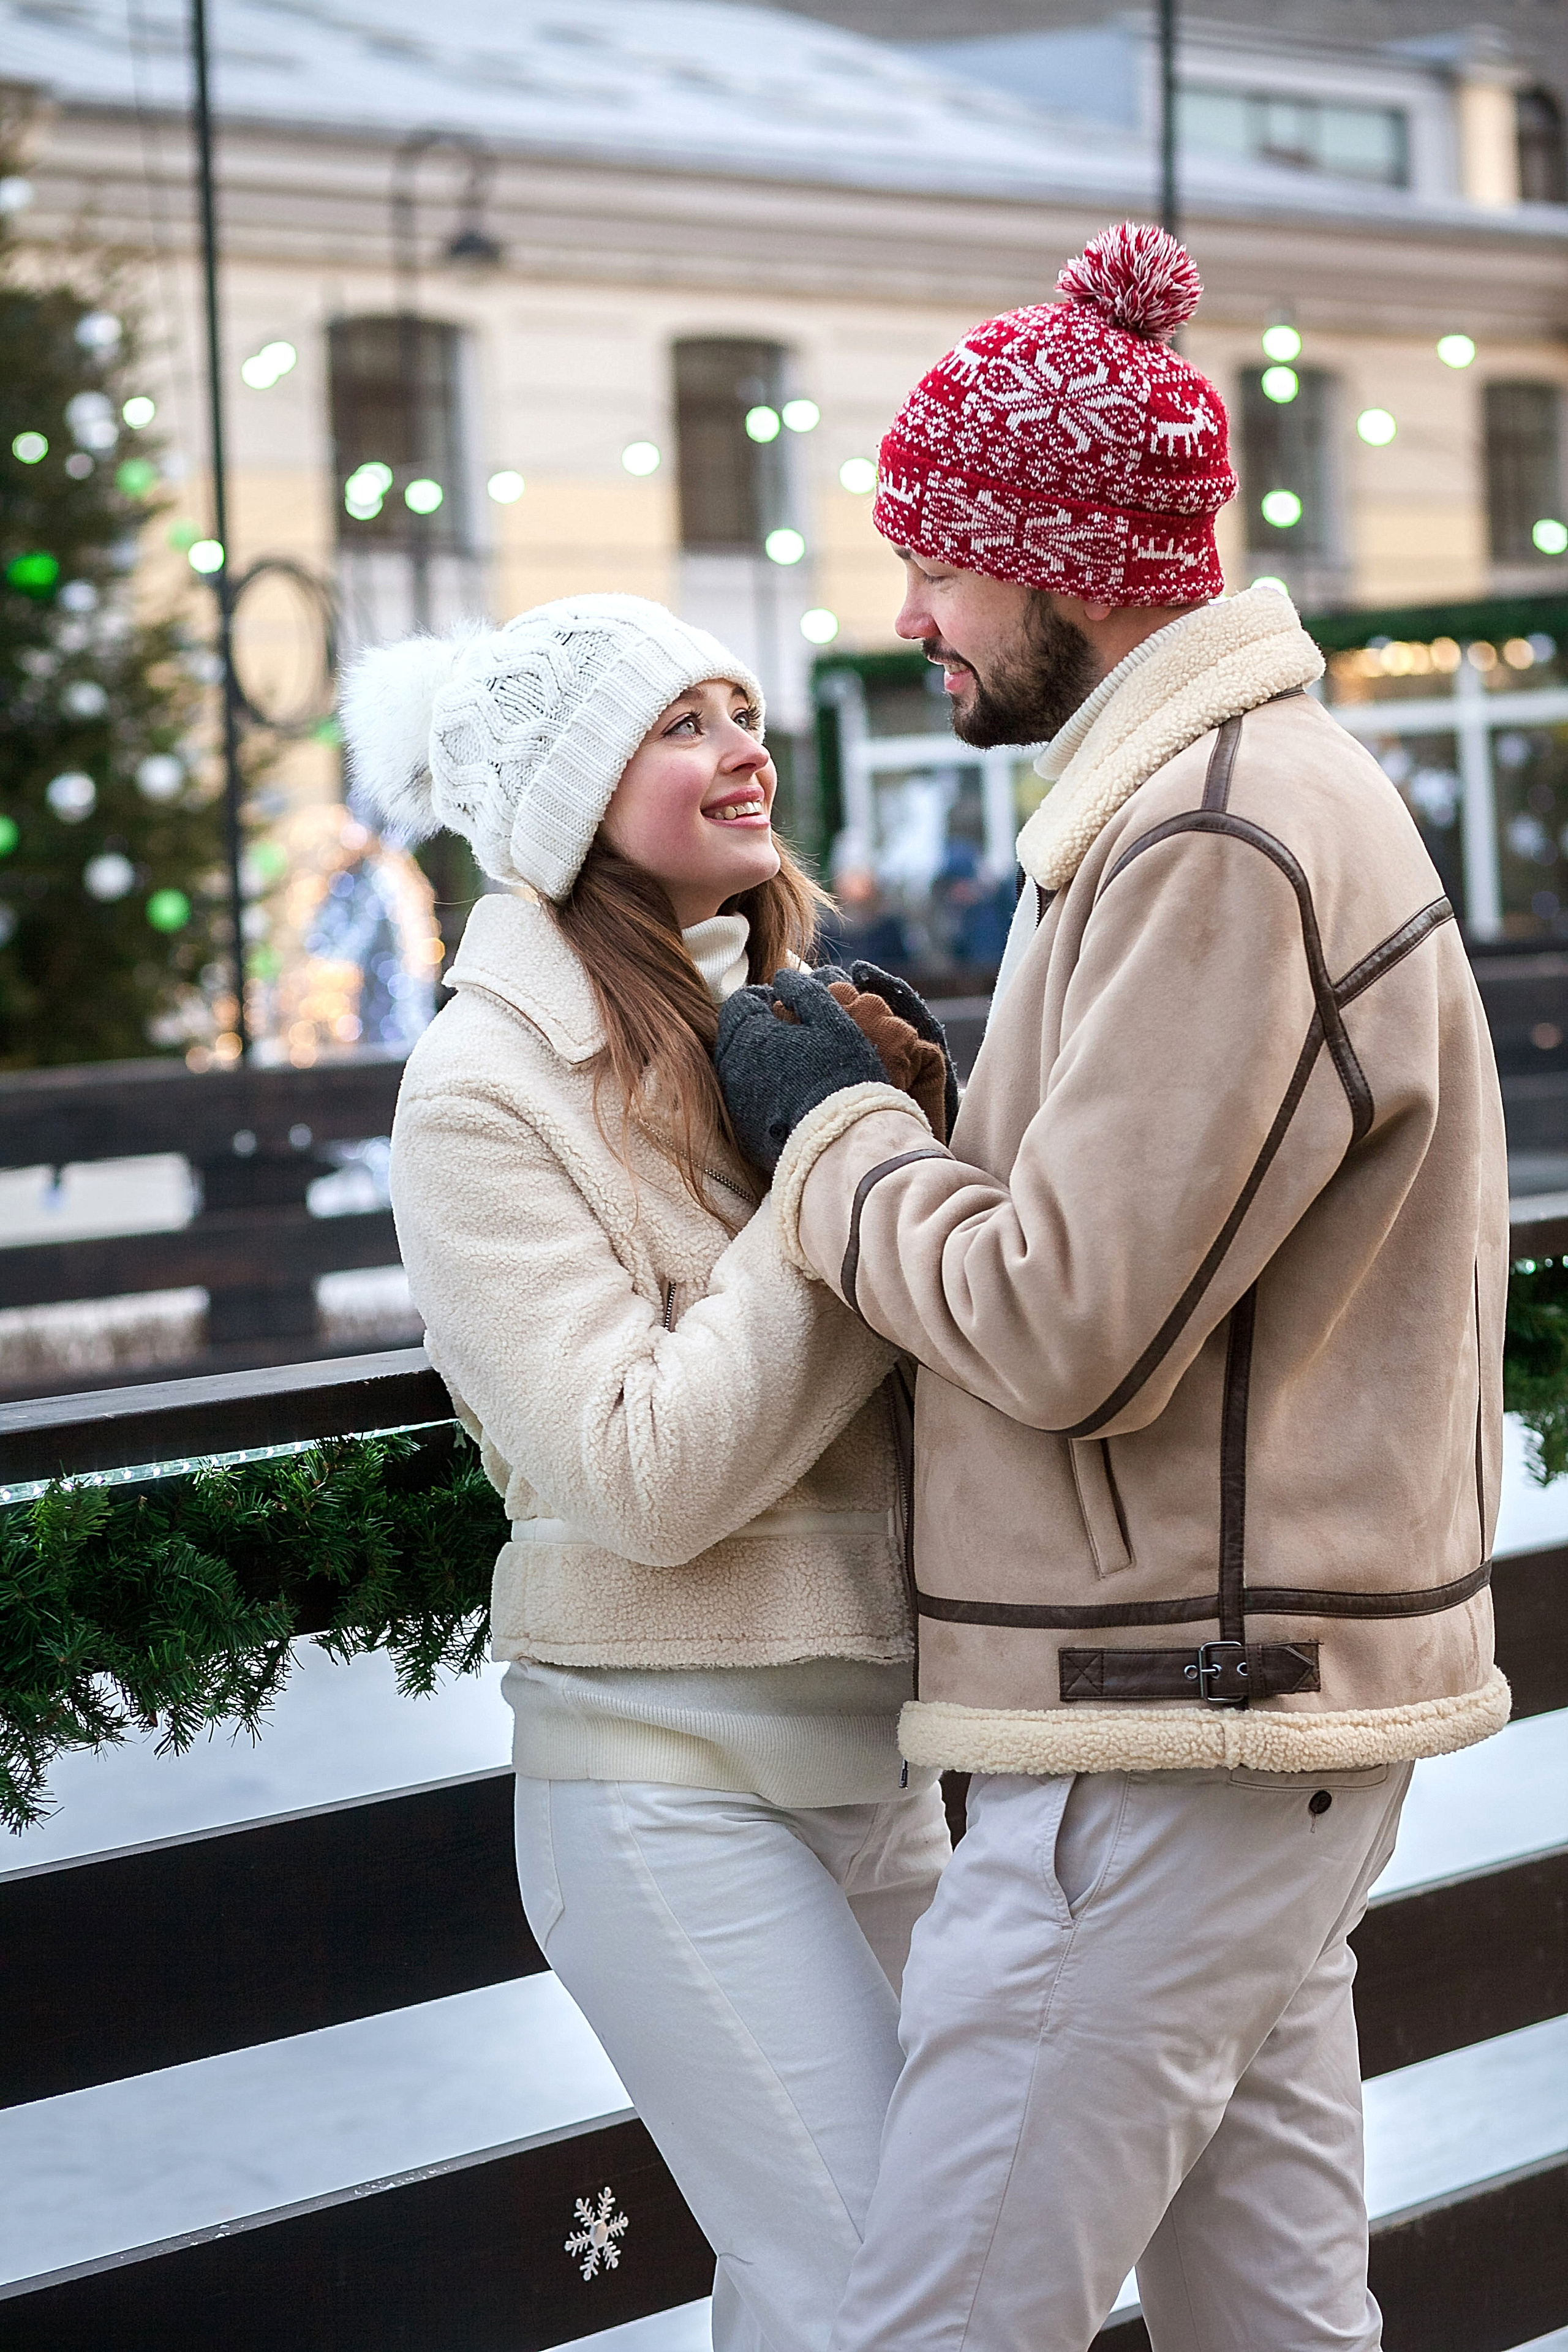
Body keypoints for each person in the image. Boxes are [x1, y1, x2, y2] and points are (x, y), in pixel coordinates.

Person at [712, 224, 1510, 2351]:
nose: (910, 619)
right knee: (1274, 2322)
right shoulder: (1213, 808)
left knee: (942, 2322)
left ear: (1068, 568)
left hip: (1175, 1718)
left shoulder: (1218, 832)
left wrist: (830, 1143)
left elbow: (1072, 1327)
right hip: (1233, 1710)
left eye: (942, 566)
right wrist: (947, 1111)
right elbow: (1179, 1242)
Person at [340, 594, 951, 2352]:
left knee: (905, 2281)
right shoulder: (484, 1093)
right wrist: (843, 1175)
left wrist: (896, 1144)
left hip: (882, 1755)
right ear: (570, 795)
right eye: (680, 721)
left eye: (740, 708)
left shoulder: (771, 1026)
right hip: (667, 1778)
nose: (742, 746)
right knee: (880, 2290)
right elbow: (643, 1472)